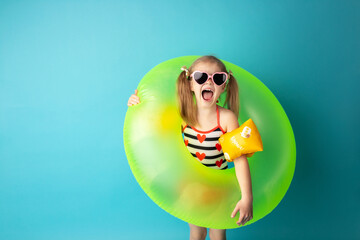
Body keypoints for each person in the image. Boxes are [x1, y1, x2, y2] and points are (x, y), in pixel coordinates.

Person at [127, 55, 253, 240]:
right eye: (201, 77)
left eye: (217, 78)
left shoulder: (227, 118)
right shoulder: (183, 113)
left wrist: (246, 197)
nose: (209, 82)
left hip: (218, 188)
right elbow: (152, 124)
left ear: (223, 87)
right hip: (191, 187)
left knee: (217, 234)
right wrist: (137, 105)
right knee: (197, 232)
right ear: (190, 84)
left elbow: (240, 158)